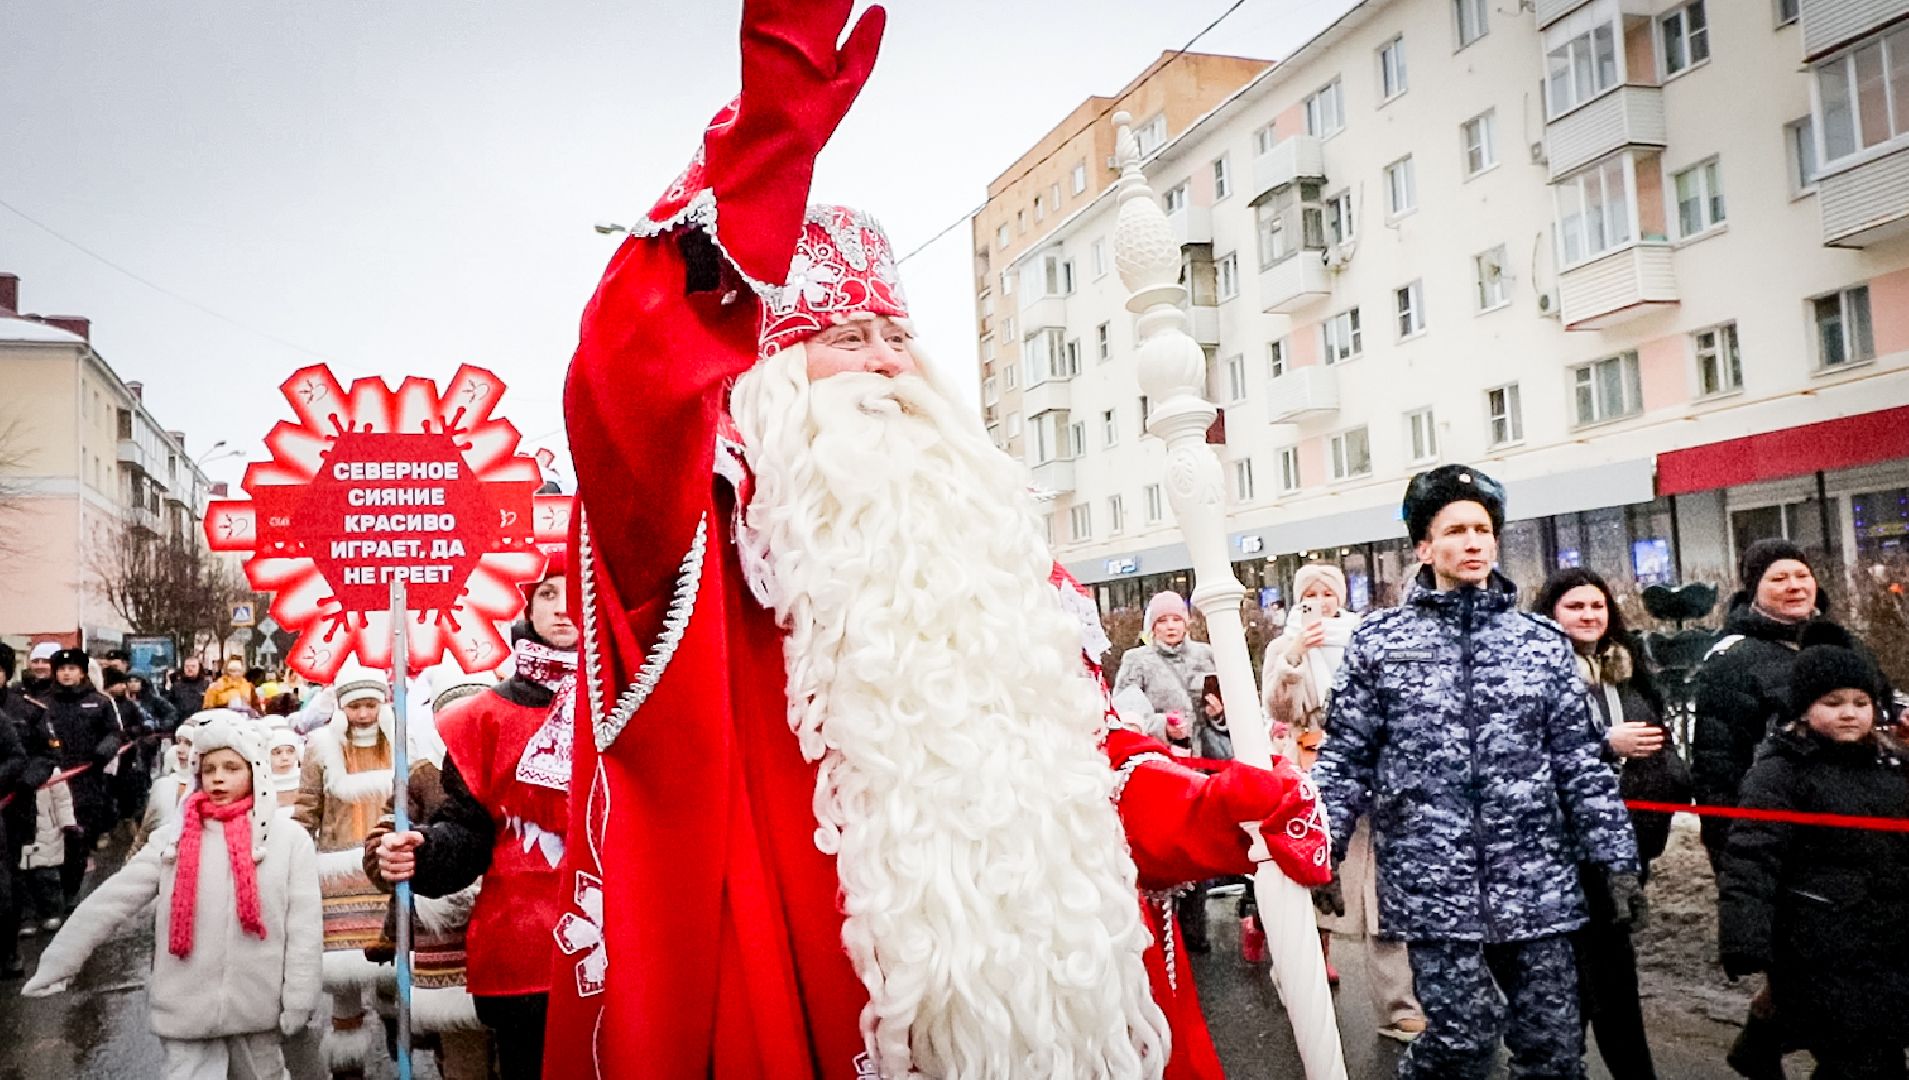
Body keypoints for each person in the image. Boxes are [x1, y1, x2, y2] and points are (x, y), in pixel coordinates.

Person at [545, 6, 1330, 1075]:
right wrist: (764, 143)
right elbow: (622, 380)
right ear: (758, 383)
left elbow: (1082, 778)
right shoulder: (702, 550)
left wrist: (1213, 810)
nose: (878, 366)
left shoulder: (1000, 560)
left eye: (891, 339)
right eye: (837, 341)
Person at [1311, 465, 1642, 1080]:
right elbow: (1345, 758)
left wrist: (1615, 857)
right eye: (1455, 529)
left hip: (1537, 879)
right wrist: (1320, 852)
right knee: (1461, 1043)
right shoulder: (1380, 643)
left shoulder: (1539, 642)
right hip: (1434, 882)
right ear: (1423, 546)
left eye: (1483, 529)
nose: (1472, 542)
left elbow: (1578, 760)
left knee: (1553, 1048)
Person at [21, 714, 323, 1080]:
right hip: (185, 1004)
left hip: (256, 1004)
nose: (219, 777)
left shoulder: (287, 840)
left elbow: (304, 926)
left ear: (256, 771)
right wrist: (59, 961)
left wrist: (299, 998)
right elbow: (113, 900)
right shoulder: (174, 839)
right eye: (209, 768)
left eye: (231, 767)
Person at [1689, 540, 1892, 1080]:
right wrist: (1727, 848)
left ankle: (1762, 1042)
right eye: (1778, 578)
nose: (1795, 586)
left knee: (1834, 981)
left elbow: (1886, 711)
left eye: (1801, 575)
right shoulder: (1732, 658)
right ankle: (1765, 1043)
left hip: (1854, 831)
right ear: (1753, 587)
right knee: (1799, 970)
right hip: (1777, 833)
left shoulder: (1846, 643)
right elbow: (1716, 763)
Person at [374, 563, 573, 1079]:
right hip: (526, 948)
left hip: (625, 938)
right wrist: (423, 849)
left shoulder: (635, 698)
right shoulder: (486, 717)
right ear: (527, 607)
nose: (564, 605)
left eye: (579, 590)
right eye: (548, 593)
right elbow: (467, 834)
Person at [1717, 642, 1909, 1079]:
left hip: (1889, 938)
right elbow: (1751, 857)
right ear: (1803, 710)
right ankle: (1764, 1039)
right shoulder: (1781, 772)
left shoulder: (1893, 764)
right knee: (1858, 1060)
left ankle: (1760, 1042)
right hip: (1817, 940)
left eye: (1861, 703)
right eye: (1833, 703)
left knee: (1882, 1048)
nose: (1849, 713)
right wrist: (1745, 937)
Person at [1267, 561, 1425, 1041]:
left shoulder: (1365, 638)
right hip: (1312, 773)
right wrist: (1294, 659)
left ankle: (1399, 1005)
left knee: (1381, 891)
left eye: (1329, 592)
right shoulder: (1284, 645)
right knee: (1316, 882)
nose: (1320, 601)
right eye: (1310, 593)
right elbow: (1276, 708)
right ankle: (1299, 980)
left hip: (1370, 775)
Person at [1536, 568, 1674, 1080]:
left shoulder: (1628, 666)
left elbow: (1658, 737)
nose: (1590, 616)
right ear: (1551, 614)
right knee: (1578, 979)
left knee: (1611, 975)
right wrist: (1604, 745)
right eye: (1575, 607)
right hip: (1565, 850)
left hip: (1628, 843)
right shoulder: (1539, 673)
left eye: (1597, 606)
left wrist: (1670, 782)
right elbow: (1526, 758)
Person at [294, 668, 396, 1079]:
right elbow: (305, 809)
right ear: (341, 706)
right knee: (344, 980)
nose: (364, 713)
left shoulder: (400, 742)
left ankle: (395, 1032)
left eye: (371, 704)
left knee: (390, 966)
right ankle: (348, 1064)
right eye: (355, 705)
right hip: (337, 875)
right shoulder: (320, 748)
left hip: (386, 869)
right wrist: (295, 859)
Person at [43, 648, 124, 911]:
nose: (67, 674)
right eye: (62, 669)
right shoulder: (42, 702)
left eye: (73, 669)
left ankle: (72, 890)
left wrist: (104, 750)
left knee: (78, 838)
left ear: (82, 672)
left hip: (86, 781)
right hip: (50, 782)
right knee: (50, 838)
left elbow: (114, 733)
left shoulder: (99, 702)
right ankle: (47, 897)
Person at [1, 642, 57, 979]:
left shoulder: (26, 709)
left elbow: (43, 757)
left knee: (10, 878)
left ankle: (11, 945)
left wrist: (24, 783)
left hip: (14, 806)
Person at [1115, 591, 1217, 742]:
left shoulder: (1205, 654)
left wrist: (1218, 715)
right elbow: (1125, 715)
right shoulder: (1136, 660)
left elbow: (1234, 706)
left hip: (1210, 754)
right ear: (1153, 627)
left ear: (1185, 624)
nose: (1170, 626)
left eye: (1176, 620)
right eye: (1162, 621)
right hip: (1164, 755)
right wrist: (1162, 726)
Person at [133, 722, 198, 856]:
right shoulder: (163, 785)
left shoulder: (210, 790)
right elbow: (145, 832)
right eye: (178, 742)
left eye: (189, 744)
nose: (180, 749)